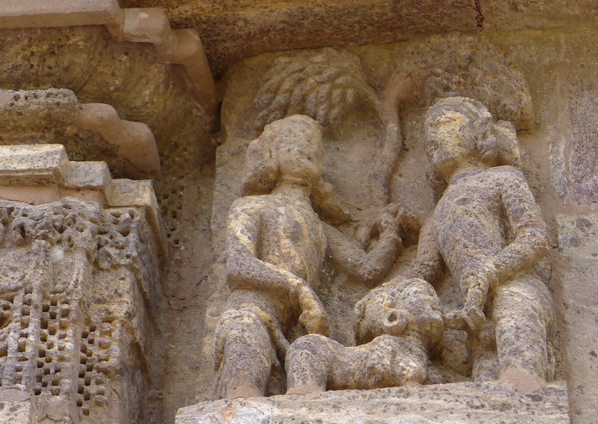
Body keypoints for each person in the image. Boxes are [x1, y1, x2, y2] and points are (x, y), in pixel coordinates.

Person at [215, 115, 414, 398]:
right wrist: (298, 288)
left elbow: (365, 268)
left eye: (315, 147)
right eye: (295, 141)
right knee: (245, 382)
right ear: (271, 153)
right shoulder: (251, 206)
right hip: (252, 312)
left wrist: (392, 234)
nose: (307, 149)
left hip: (299, 330)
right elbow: (239, 266)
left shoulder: (319, 228)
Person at [407, 96, 553, 393]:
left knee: (513, 320)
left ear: (479, 133)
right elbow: (425, 270)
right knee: (486, 384)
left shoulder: (503, 178)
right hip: (474, 313)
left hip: (515, 287)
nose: (434, 138)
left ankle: (529, 383)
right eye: (429, 135)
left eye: (444, 124)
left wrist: (491, 272)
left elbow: (535, 235)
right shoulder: (437, 214)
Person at [285, 278, 445, 394]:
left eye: (433, 298)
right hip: (318, 353)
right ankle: (305, 389)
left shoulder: (422, 358)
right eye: (420, 294)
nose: (433, 301)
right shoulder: (387, 344)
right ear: (394, 316)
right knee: (308, 348)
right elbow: (379, 367)